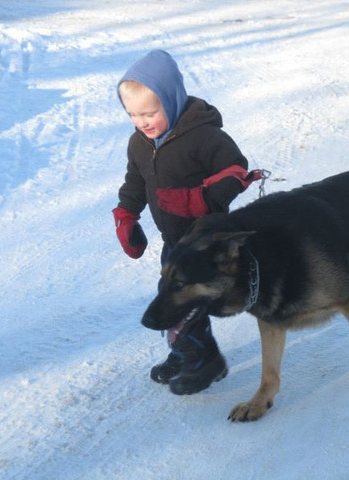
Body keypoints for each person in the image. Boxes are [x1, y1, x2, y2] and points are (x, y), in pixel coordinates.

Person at [112, 49, 259, 395]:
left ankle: (200, 359)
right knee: (174, 300)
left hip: (207, 242)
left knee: (184, 302)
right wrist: (126, 215)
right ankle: (189, 353)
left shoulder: (204, 137)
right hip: (173, 242)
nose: (142, 122)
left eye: (150, 113)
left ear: (172, 100)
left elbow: (235, 171)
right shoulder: (139, 143)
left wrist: (197, 199)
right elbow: (135, 182)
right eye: (133, 115)